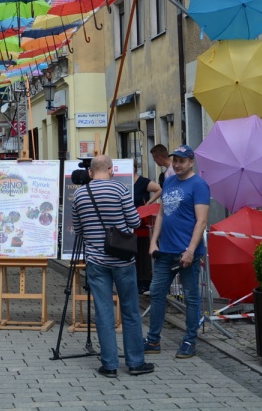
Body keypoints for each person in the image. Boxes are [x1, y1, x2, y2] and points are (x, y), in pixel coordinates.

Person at [70, 155, 154, 378]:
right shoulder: (120, 190)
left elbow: (78, 229)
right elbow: (135, 223)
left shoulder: (79, 194)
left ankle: (109, 365)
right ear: (111, 169)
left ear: (90, 172)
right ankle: (135, 363)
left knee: (103, 312)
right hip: (123, 260)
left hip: (96, 261)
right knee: (130, 311)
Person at [145, 145, 209, 359]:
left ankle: (190, 340)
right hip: (165, 250)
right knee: (156, 293)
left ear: (191, 162)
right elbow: (162, 213)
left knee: (191, 297)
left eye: (182, 160)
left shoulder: (199, 185)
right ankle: (153, 339)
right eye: (175, 160)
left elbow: (201, 221)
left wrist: (191, 250)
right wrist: (154, 242)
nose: (177, 164)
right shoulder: (170, 181)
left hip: (186, 253)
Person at [132, 160, 162, 294]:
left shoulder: (143, 181)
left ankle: (144, 281)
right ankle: (136, 280)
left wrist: (149, 203)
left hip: (142, 223)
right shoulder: (122, 180)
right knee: (132, 252)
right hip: (128, 223)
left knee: (143, 252)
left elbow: (159, 189)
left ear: (135, 167)